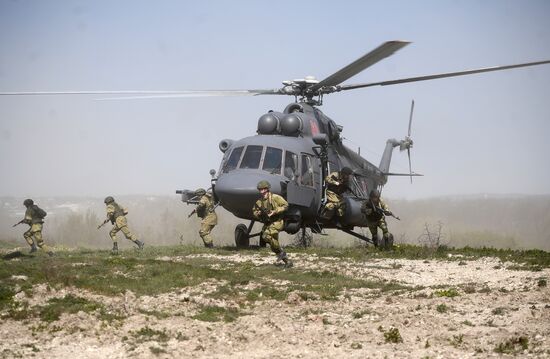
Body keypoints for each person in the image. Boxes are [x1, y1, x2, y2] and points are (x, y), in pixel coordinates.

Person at [252, 180, 293, 268]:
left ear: (267, 189)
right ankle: (286, 260)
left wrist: (275, 211)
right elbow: (254, 211)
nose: (262, 192)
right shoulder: (259, 202)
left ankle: (281, 252)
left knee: (267, 235)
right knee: (267, 238)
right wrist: (258, 213)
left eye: (264, 189)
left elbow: (286, 206)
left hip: (277, 221)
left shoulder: (275, 197)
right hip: (268, 222)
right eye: (260, 190)